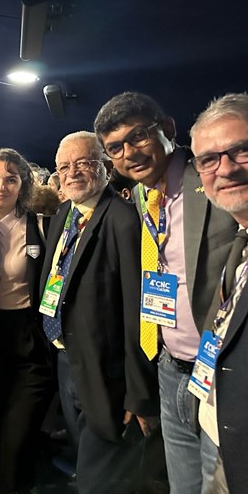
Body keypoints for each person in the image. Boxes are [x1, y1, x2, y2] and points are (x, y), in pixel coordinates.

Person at [94, 92, 235, 492]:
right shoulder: (141, 195)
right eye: (115, 148)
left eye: (138, 136)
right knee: (183, 486)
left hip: (219, 373)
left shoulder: (209, 178)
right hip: (170, 367)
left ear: (168, 129)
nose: (129, 153)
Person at [39, 131, 158, 493]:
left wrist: (138, 394)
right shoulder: (63, 214)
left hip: (108, 375)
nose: (72, 172)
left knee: (102, 478)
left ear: (105, 167)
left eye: (83, 163)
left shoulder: (123, 220)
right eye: (64, 167)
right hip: (65, 360)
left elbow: (138, 312)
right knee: (84, 462)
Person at [0, 148, 54, 493]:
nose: (1, 186)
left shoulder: (40, 224)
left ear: (23, 184)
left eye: (11, 179)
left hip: (28, 340)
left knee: (18, 438)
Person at [188, 93, 248, 492]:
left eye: (241, 150)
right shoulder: (237, 247)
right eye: (208, 159)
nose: (224, 168)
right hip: (224, 439)